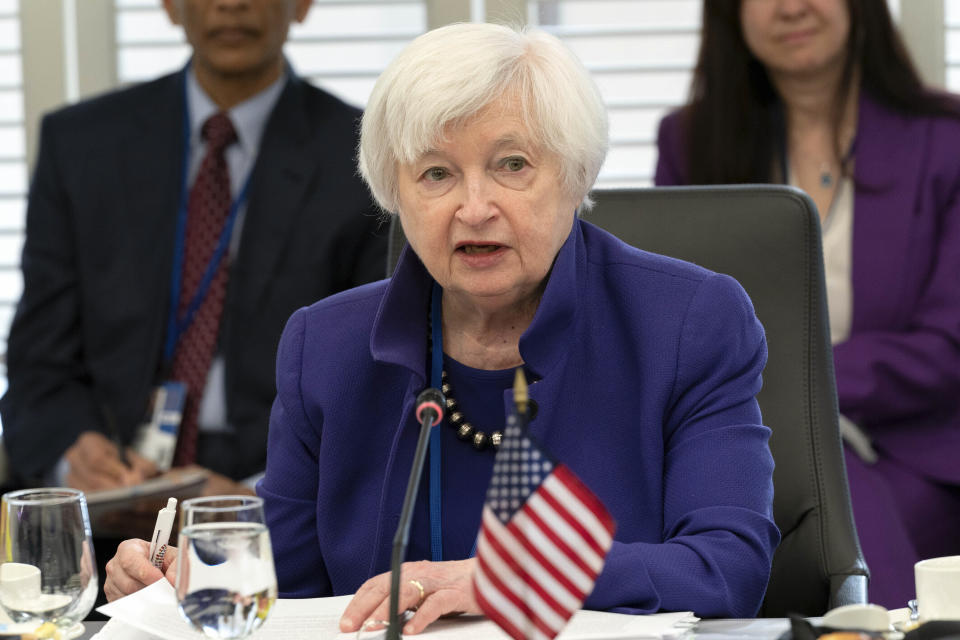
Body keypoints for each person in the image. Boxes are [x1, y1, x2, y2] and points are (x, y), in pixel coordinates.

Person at [105, 22, 779, 630]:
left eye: (512, 165)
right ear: (394, 194)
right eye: (436, 174)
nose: (474, 207)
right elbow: (282, 588)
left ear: (576, 176)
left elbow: (727, 567)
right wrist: (177, 579)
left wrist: (510, 582)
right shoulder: (326, 347)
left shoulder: (690, 322)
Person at [0, 0, 386, 494]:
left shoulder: (364, 157)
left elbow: (372, 379)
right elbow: (38, 359)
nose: (232, 5)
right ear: (168, 5)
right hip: (111, 487)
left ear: (304, 5)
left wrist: (263, 495)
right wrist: (72, 455)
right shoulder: (80, 146)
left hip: (272, 495)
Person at [655, 0, 960, 608]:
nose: (791, 7)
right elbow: (674, 314)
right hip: (745, 433)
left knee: (838, 499)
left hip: (907, 441)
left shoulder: (946, 139)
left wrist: (803, 385)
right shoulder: (689, 140)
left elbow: (950, 340)